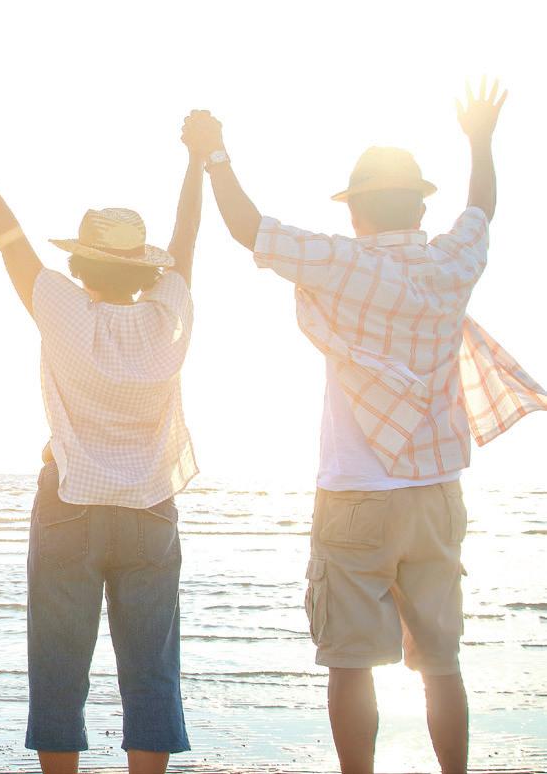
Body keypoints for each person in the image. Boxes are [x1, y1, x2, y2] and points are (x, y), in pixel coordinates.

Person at [187, 80, 547, 774]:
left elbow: (248, 228)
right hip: (436, 491)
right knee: (441, 663)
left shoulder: (343, 262)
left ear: (354, 213)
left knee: (351, 662)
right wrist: (479, 139)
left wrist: (215, 155)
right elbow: (481, 208)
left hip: (356, 492)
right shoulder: (450, 264)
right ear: (420, 208)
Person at [0, 115, 206, 774]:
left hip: (69, 504)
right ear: (145, 270)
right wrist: (196, 162)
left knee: (59, 667)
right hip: (149, 510)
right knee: (152, 670)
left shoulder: (63, 309)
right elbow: (185, 242)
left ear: (81, 264)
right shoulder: (167, 315)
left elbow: (9, 242)